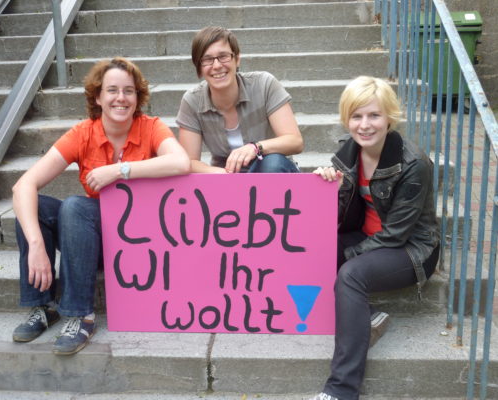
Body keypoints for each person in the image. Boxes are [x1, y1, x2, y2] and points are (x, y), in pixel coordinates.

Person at [11, 57, 190, 355]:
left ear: (137, 97)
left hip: (134, 243)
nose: (121, 98)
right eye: (112, 90)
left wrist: (120, 170)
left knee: (75, 206)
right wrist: (37, 246)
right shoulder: (84, 133)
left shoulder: (151, 127)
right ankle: (42, 307)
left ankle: (82, 315)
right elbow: (22, 186)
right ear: (97, 96)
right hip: (85, 239)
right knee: (32, 206)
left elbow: (181, 161)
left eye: (129, 91)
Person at [310, 76, 440, 400]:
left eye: (374, 116)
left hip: (411, 249)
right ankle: (367, 315)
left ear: (389, 118)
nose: (364, 125)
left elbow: (396, 235)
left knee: (350, 275)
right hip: (368, 238)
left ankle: (342, 389)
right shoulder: (349, 152)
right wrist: (327, 187)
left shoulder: (413, 163)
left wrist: (347, 254)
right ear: (347, 119)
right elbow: (338, 219)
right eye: (357, 116)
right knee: (310, 249)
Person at [176, 26, 303, 173]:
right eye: (207, 59)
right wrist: (219, 173)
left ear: (237, 59)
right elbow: (189, 161)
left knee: (272, 163)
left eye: (223, 56)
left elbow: (295, 141)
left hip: (273, 173)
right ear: (199, 67)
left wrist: (255, 147)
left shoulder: (264, 84)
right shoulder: (192, 101)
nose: (217, 65)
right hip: (227, 179)